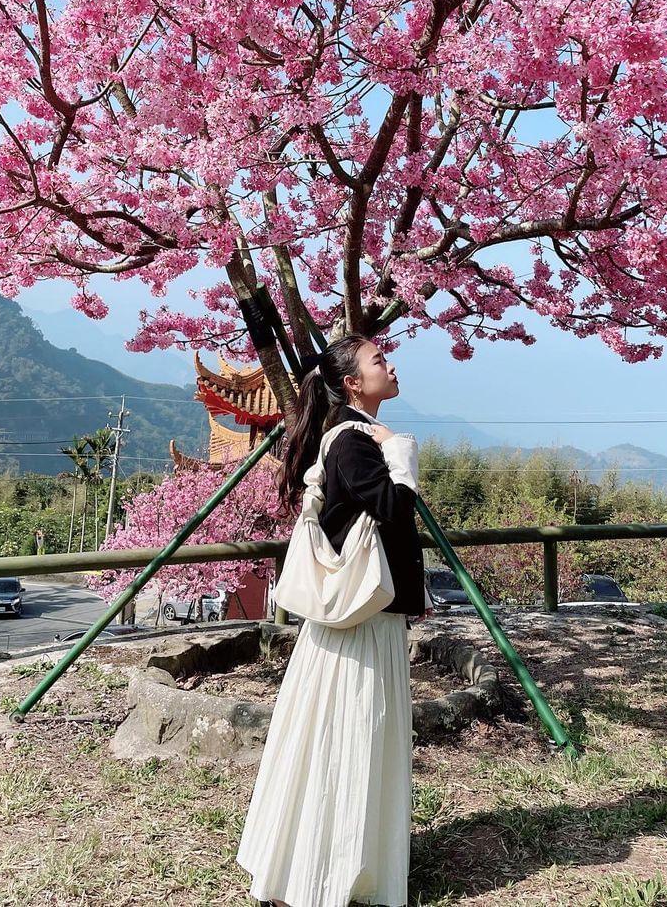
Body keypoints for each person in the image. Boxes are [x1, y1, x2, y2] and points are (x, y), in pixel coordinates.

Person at [238, 334, 425, 907]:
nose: (390, 365)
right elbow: (394, 509)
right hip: (362, 623)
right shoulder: (356, 443)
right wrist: (403, 450)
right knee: (353, 738)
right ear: (351, 383)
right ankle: (335, 871)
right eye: (378, 360)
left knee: (337, 737)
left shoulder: (346, 438)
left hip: (353, 622)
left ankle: (327, 861)